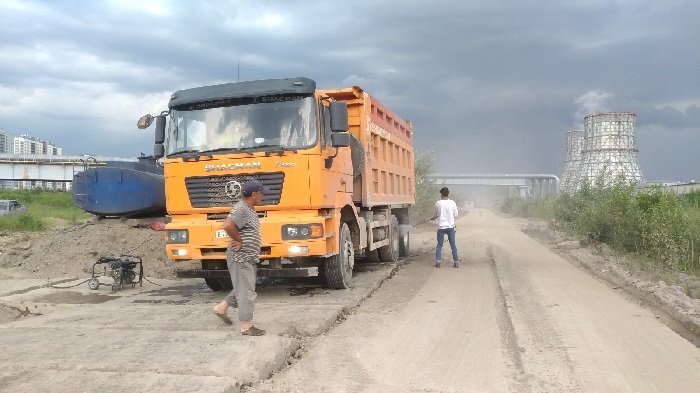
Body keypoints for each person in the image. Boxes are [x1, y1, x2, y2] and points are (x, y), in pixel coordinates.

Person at [212, 179, 266, 336]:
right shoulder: (241, 208)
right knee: (247, 291)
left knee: (243, 287)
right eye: (261, 193)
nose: (263, 197)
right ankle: (246, 326)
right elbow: (228, 225)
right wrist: (237, 239)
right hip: (241, 257)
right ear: (254, 194)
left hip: (247, 257)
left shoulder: (249, 208)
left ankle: (221, 308)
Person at [430, 187, 460, 268]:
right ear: (448, 194)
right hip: (450, 227)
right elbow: (456, 215)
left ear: (442, 194)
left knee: (439, 245)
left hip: (441, 228)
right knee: (453, 245)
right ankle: (456, 262)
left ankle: (438, 263)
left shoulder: (438, 203)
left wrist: (432, 218)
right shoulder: (453, 203)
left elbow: (436, 215)